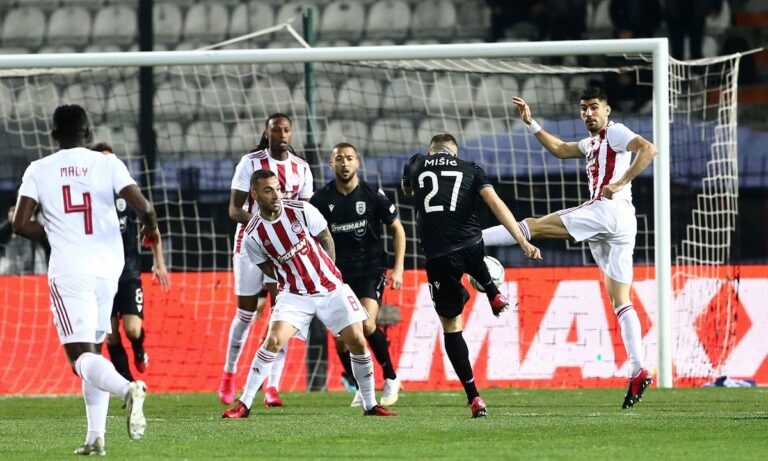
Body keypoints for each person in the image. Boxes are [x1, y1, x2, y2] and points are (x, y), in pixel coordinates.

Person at [482, 88, 658, 409]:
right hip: (621, 224)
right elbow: (561, 149)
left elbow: (648, 149)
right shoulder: (592, 143)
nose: (588, 113)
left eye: (594, 107)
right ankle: (638, 368)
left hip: (607, 210)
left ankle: (473, 241)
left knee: (534, 225)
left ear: (607, 110)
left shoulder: (615, 132)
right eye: (583, 108)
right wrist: (532, 123)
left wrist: (621, 183)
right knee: (620, 300)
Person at [12, 104, 157, 455]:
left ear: (53, 134)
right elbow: (145, 208)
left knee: (79, 358)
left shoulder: (39, 169)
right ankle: (95, 438)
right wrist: (151, 228)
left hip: (71, 269)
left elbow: (19, 223)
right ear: (88, 132)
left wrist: (53, 233)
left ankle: (127, 389)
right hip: (109, 270)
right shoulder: (108, 163)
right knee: (94, 350)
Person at [222, 169, 396, 418]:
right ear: (255, 194)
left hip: (330, 288)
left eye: (277, 189)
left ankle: (370, 405)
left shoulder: (301, 210)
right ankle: (244, 403)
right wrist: (287, 281)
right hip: (294, 295)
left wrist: (329, 272)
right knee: (272, 340)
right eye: (268, 190)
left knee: (357, 340)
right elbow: (267, 268)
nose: (276, 195)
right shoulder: (253, 235)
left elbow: (326, 238)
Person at [401, 133, 542, 418]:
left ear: (430, 151)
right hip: (471, 246)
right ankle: (493, 292)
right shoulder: (471, 168)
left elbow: (408, 191)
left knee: (452, 327)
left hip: (439, 256)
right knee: (475, 250)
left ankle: (474, 397)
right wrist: (522, 241)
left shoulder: (416, 163)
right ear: (455, 152)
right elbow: (496, 204)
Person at [219, 113, 314, 407]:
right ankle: (229, 373)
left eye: (286, 130)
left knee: (281, 314)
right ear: (267, 133)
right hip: (249, 245)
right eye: (276, 130)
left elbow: (304, 213)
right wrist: (265, 228)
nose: (282, 135)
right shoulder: (250, 163)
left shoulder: (302, 168)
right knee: (246, 314)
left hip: (283, 250)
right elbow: (234, 209)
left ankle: (272, 386)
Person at [310, 143, 406, 407]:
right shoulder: (320, 200)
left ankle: (390, 378)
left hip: (370, 270)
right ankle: (361, 386)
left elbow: (398, 229)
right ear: (331, 165)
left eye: (349, 158)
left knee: (364, 324)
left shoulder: (372, 194)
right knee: (341, 339)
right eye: (339, 159)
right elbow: (309, 237)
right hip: (337, 276)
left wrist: (398, 268)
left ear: (357, 163)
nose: (345, 163)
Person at [91, 142, 171, 382]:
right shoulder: (86, 200)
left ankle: (138, 348)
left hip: (128, 273)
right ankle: (129, 384)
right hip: (100, 276)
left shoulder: (127, 195)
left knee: (132, 329)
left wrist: (159, 262)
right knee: (111, 335)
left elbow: (152, 225)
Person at [0, 203, 47, 275]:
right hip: (11, 269)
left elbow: (47, 243)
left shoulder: (41, 217)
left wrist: (33, 224)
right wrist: (10, 223)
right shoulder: (8, 218)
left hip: (34, 269)